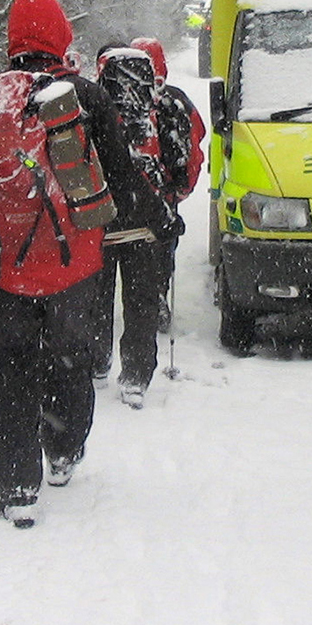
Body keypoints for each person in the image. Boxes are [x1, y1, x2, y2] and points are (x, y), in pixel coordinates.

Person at [0, 0, 168, 528]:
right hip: (76, 266)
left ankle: (17, 487)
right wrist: (157, 217)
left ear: (13, 41)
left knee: (12, 365)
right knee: (69, 356)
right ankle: (62, 454)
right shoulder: (84, 96)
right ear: (60, 38)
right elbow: (121, 178)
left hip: (3, 266)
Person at [88, 43, 173, 408]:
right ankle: (136, 375)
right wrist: (169, 203)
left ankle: (97, 360)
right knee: (141, 302)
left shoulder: (89, 105)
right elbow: (181, 159)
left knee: (97, 297)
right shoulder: (162, 109)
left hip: (101, 220)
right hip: (146, 222)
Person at [131, 35, 205, 323]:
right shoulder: (176, 100)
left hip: (126, 193)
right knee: (161, 247)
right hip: (164, 192)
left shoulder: (119, 99)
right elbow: (194, 145)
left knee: (127, 248)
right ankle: (156, 297)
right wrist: (182, 188)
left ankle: (126, 303)